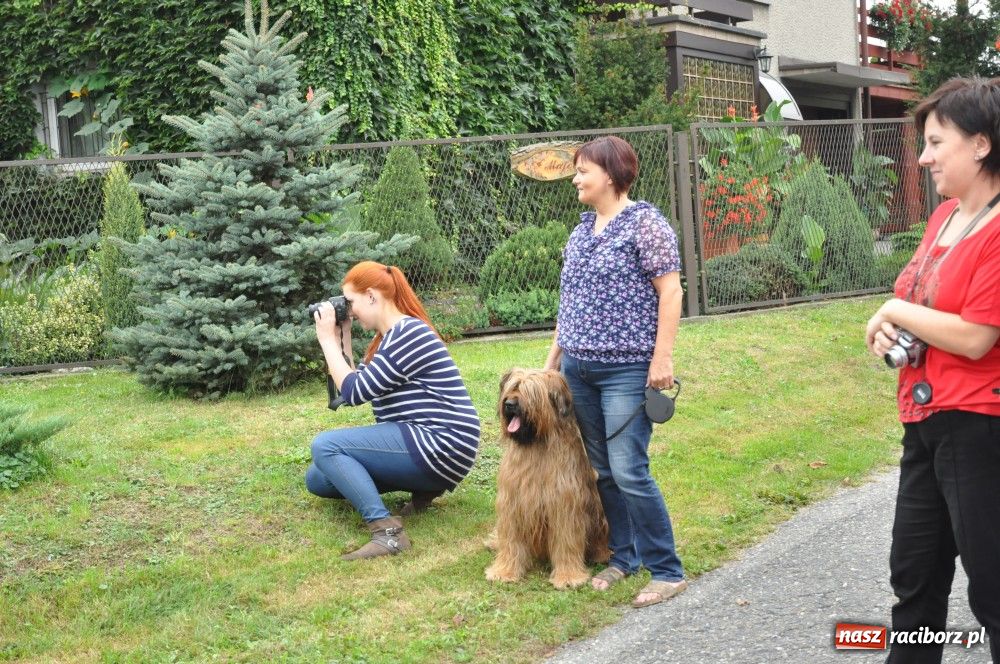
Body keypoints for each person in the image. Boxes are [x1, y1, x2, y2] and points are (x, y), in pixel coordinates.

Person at [865, 77, 1000, 664]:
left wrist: (895, 308)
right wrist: (887, 328)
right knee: (914, 579)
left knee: (993, 590)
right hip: (924, 421)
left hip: (979, 427)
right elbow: (920, 301)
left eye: (935, 142)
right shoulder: (943, 217)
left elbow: (976, 336)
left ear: (980, 144)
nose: (923, 157)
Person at [543, 135, 687, 609]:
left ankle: (666, 569)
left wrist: (661, 359)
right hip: (579, 367)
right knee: (603, 470)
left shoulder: (645, 225)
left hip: (627, 369)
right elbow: (570, 303)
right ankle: (624, 557)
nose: (576, 178)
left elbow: (671, 292)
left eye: (583, 170)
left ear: (610, 174)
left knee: (629, 469)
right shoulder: (581, 231)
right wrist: (553, 360)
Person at [306, 261, 481, 560]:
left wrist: (325, 340)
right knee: (318, 478)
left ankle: (387, 533)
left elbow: (355, 392)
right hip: (429, 445)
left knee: (325, 446)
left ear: (372, 296)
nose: (350, 310)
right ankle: (424, 489)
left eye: (351, 302)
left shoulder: (407, 333)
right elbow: (350, 391)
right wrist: (342, 335)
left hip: (441, 442)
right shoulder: (386, 340)